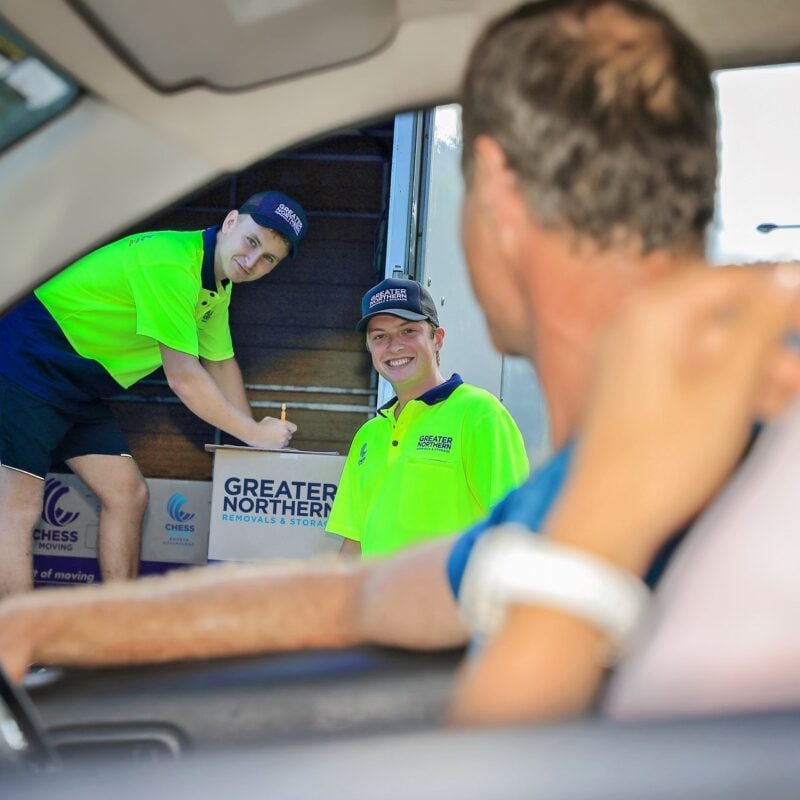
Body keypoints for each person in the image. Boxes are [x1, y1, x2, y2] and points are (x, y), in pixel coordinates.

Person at [1, 0, 799, 730]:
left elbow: (516, 752)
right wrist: (43, 627)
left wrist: (595, 525)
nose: (392, 346)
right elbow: (357, 594)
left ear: (497, 199)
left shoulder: (712, 441)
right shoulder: (583, 478)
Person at [0, 191, 306, 597]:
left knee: (128, 495)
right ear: (231, 222)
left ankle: (122, 631)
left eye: (269, 258)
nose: (252, 261)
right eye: (252, 242)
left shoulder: (216, 284)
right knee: (16, 507)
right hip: (28, 362)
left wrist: (249, 436)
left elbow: (220, 363)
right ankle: (16, 647)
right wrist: (254, 435)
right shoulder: (171, 263)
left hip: (78, 387)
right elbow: (185, 378)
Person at [330, 277, 528, 558]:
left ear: (437, 339)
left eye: (408, 331)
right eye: (380, 336)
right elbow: (354, 545)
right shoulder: (368, 435)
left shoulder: (479, 414)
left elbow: (514, 532)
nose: (394, 346)